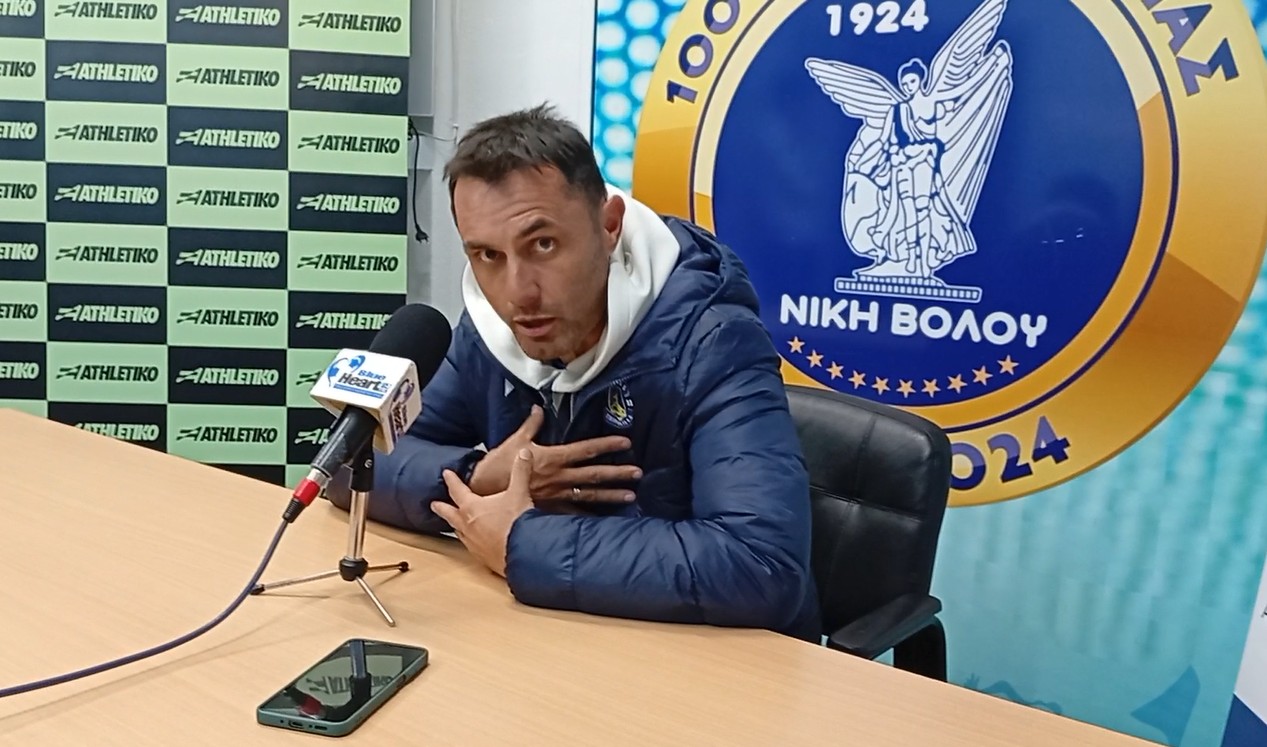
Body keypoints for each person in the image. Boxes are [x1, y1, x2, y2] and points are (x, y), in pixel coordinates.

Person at [328, 104, 819, 640]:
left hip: (709, 659)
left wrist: (520, 544)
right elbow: (350, 465)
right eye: (487, 255)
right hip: (557, 631)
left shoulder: (714, 339)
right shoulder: (489, 330)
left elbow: (762, 565)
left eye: (543, 245)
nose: (518, 293)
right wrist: (477, 475)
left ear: (609, 226)